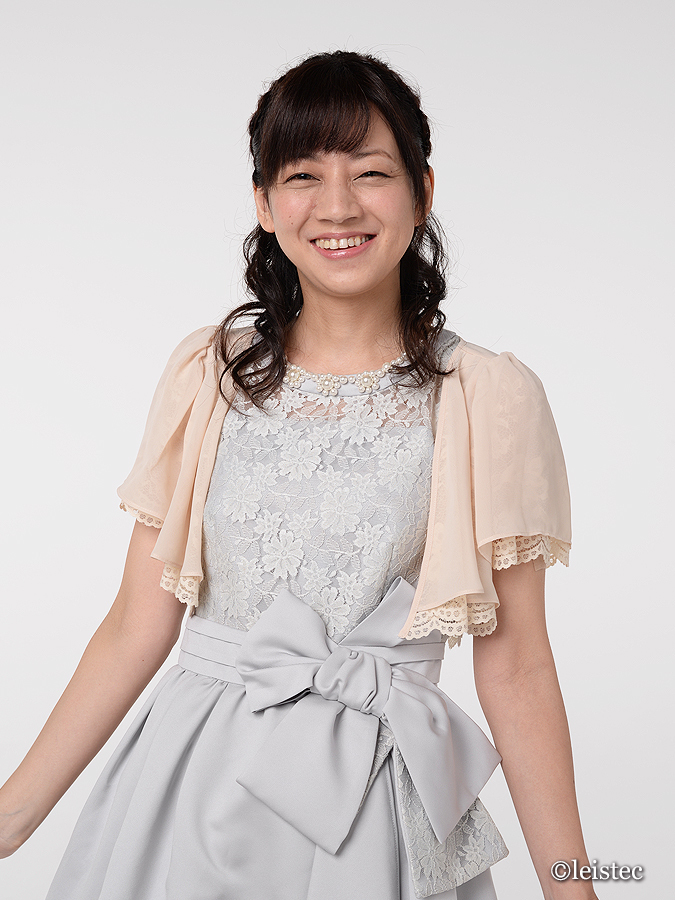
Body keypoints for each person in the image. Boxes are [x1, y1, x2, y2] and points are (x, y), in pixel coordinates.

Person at [0, 50, 598, 900]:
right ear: (263, 202)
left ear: (423, 191)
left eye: (371, 172)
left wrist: (572, 888)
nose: (338, 206)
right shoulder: (208, 374)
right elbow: (137, 623)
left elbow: (517, 667)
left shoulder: (485, 396)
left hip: (377, 798)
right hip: (193, 788)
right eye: (303, 175)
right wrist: (11, 817)